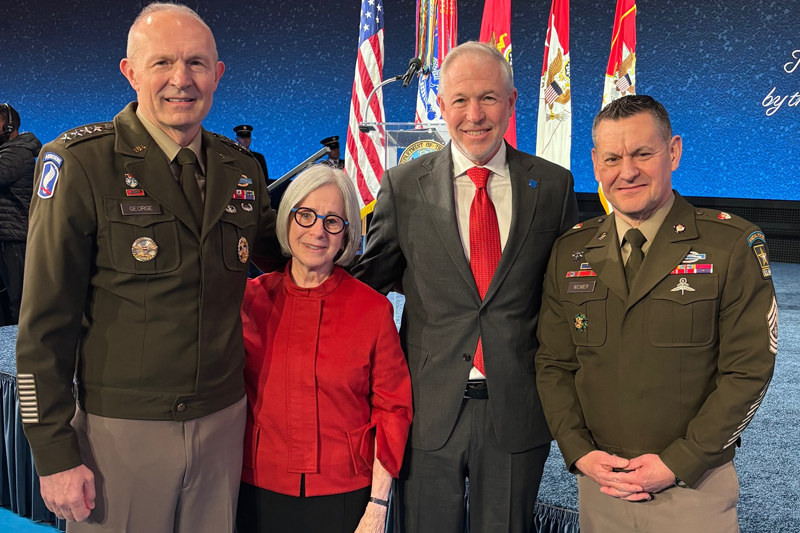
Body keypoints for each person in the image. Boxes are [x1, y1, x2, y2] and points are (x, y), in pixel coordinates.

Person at [15, 4, 281, 532]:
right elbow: (43, 324)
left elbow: (289, 248)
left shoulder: (241, 169)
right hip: (120, 433)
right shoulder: (81, 163)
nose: (181, 79)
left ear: (217, 74)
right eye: (162, 62)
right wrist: (53, 452)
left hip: (222, 423)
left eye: (197, 63)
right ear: (130, 71)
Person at [351, 41, 578, 532]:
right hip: (427, 409)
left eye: (488, 98)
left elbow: (568, 298)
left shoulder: (553, 186)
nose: (474, 115)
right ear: (442, 105)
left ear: (512, 101)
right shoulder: (403, 186)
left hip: (517, 409)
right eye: (460, 100)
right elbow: (367, 287)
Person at [535, 95, 777, 533]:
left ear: (674, 152)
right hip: (601, 483)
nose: (627, 171)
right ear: (596, 164)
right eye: (612, 158)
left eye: (642, 154)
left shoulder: (730, 245)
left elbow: (748, 371)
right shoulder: (570, 251)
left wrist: (681, 461)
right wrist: (578, 451)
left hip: (692, 484)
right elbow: (554, 363)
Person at [236, 164, 413, 533]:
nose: (317, 231)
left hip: (345, 491)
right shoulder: (249, 301)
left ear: (346, 235)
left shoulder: (373, 310)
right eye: (306, 215)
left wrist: (379, 505)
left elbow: (393, 410)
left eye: (333, 221)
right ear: (287, 219)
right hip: (258, 486)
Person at [0, 103, 41, 324]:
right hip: (8, 237)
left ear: (9, 127)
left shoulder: (16, 153)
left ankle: (22, 343)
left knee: (19, 302)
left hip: (15, 239)